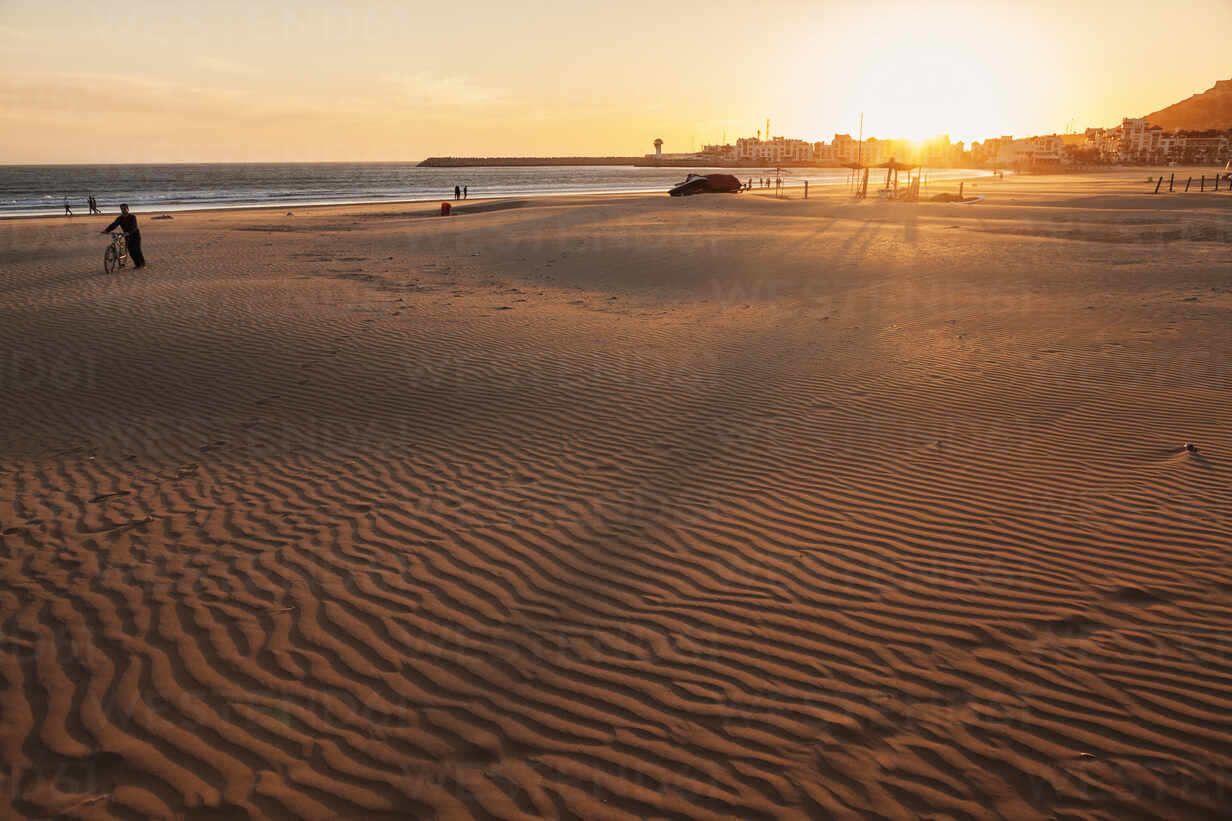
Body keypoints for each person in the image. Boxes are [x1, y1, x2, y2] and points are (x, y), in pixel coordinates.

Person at [101, 204, 145, 268]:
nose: (123, 210)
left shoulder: (132, 217)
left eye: (124, 209)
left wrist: (128, 232)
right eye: (122, 209)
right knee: (131, 251)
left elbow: (134, 226)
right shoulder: (120, 218)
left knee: (137, 250)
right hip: (127, 236)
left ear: (128, 209)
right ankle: (137, 265)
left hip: (135, 235)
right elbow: (114, 225)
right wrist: (106, 230)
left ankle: (143, 263)